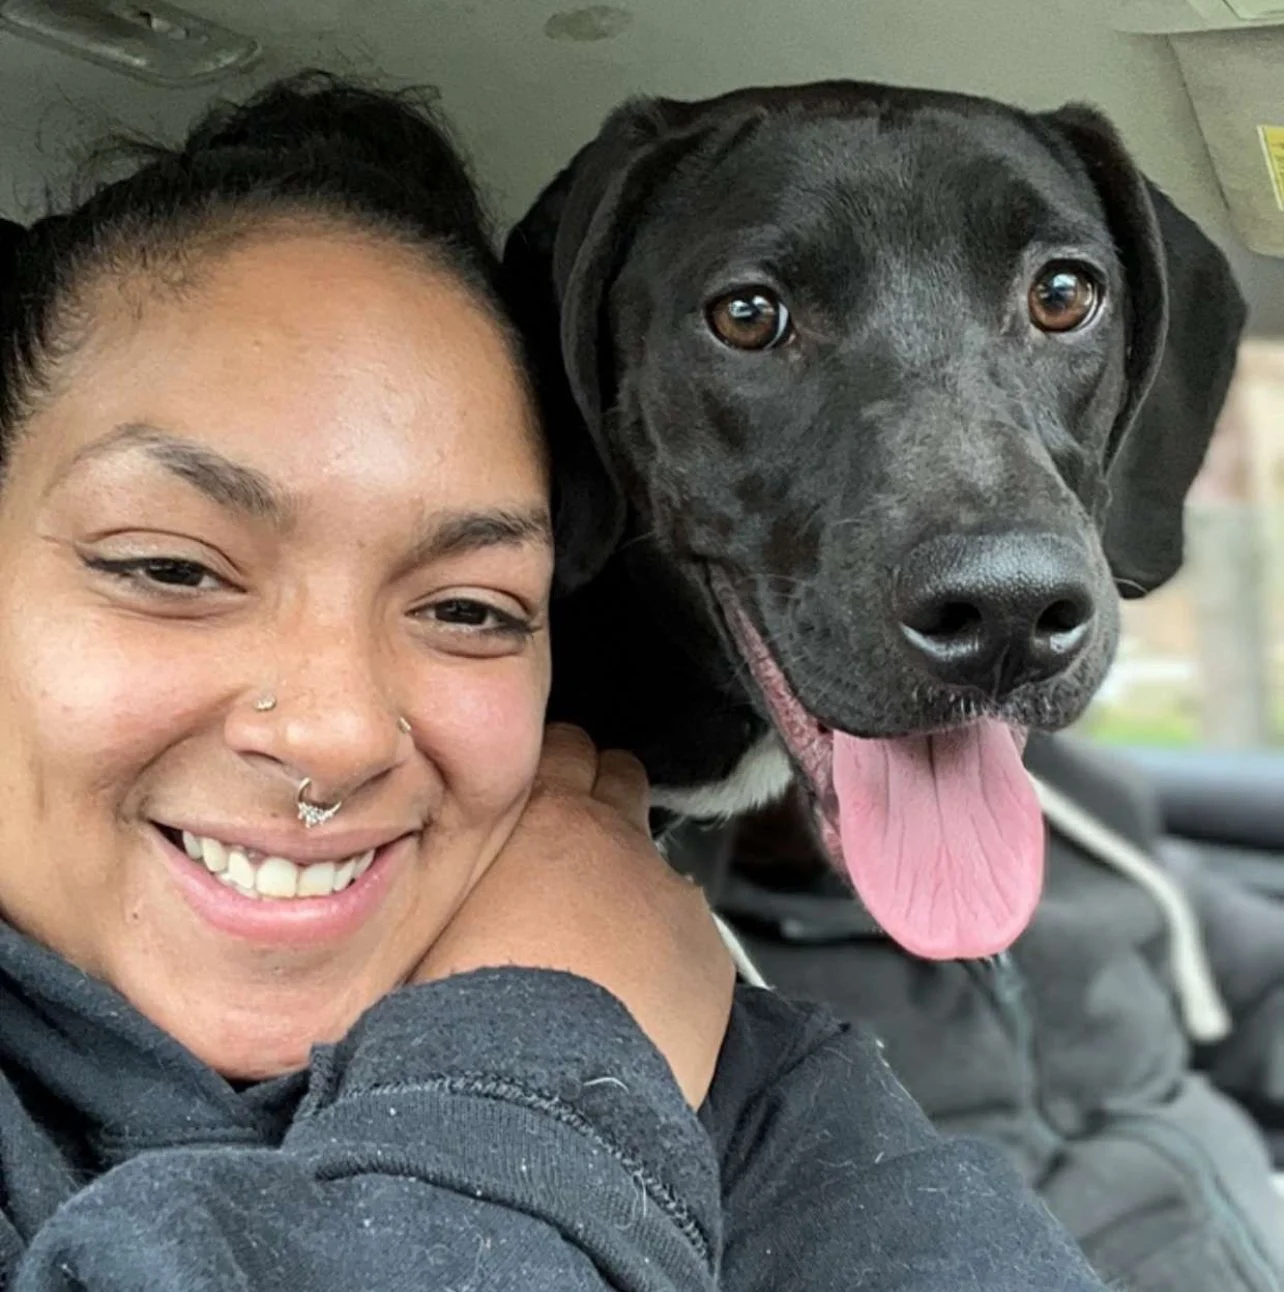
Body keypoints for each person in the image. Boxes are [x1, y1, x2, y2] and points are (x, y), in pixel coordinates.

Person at [0, 72, 1106, 1289]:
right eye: (171, 567)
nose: (333, 732)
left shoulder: (736, 1053)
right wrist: (546, 1057)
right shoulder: (601, 1022)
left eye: (468, 606)